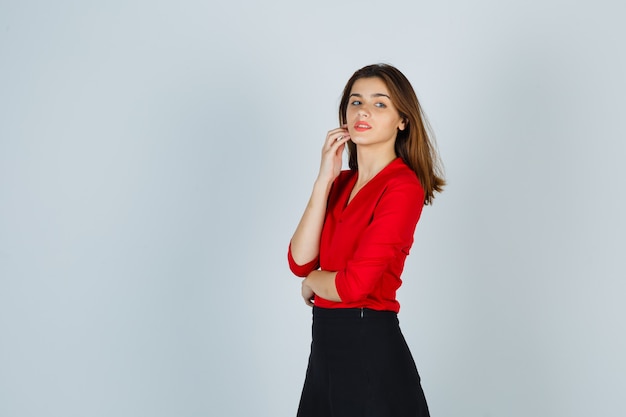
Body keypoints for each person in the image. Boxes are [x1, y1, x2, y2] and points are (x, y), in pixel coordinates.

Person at [287, 63, 445, 417]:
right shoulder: (340, 183)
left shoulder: (402, 186)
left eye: (379, 104)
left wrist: (314, 280)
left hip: (367, 347)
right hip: (325, 352)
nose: (363, 111)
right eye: (355, 102)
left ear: (402, 120)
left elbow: (354, 285)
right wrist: (323, 180)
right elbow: (299, 260)